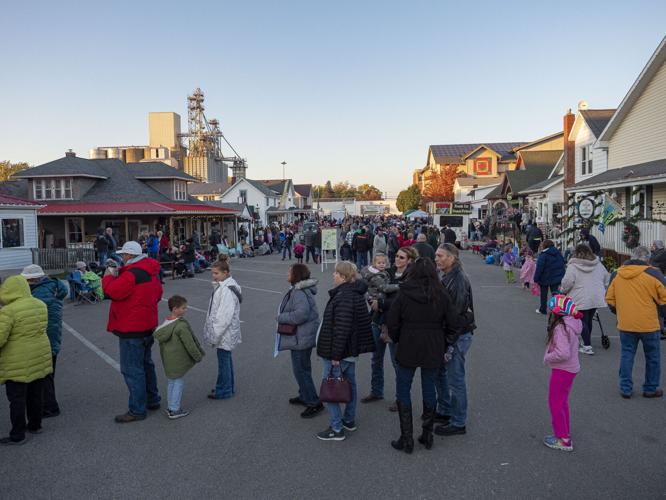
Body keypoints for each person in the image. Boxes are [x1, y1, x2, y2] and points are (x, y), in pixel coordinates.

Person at [386, 258, 461, 454]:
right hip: (433, 344)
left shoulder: (404, 293)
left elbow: (392, 321)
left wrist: (396, 338)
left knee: (404, 388)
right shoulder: (441, 294)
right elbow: (454, 323)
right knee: (429, 387)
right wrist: (445, 343)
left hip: (408, 342)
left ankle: (406, 437)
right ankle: (427, 434)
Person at [102, 241, 163, 423]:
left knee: (132, 369)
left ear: (129, 256)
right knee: (146, 364)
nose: (122, 258)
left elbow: (112, 291)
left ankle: (137, 409)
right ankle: (152, 399)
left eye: (123, 255)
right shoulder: (150, 271)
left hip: (131, 327)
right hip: (147, 324)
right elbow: (158, 294)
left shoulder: (131, 274)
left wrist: (108, 276)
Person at [315, 261, 374, 441]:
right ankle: (348, 420)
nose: (333, 275)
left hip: (340, 352)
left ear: (343, 276)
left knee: (331, 387)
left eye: (336, 273)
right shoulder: (354, 293)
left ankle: (336, 428)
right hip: (349, 351)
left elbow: (341, 329)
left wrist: (335, 356)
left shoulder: (344, 296)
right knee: (349, 385)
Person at [606, 246, 666, 398]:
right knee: (652, 357)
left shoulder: (617, 273)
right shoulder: (654, 273)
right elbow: (664, 298)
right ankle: (650, 388)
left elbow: (610, 299)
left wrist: (619, 312)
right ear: (647, 259)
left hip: (626, 323)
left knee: (627, 354)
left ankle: (625, 388)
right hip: (649, 323)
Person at [0, 275, 51, 445]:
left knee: (17, 398)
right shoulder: (40, 304)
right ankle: (35, 425)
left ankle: (17, 435)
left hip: (18, 359)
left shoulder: (9, 311)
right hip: (39, 354)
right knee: (35, 394)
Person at [433, 243, 476, 436]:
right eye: (436, 255)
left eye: (440, 256)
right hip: (450, 335)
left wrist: (448, 343)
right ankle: (445, 410)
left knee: (455, 379)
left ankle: (458, 422)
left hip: (457, 336)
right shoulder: (446, 275)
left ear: (451, 258)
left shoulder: (458, 280)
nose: (437, 259)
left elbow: (455, 317)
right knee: (442, 374)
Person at [277, 264, 323, 418]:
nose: (287, 273)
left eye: (289, 271)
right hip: (303, 336)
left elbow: (301, 314)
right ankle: (305, 395)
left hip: (301, 337)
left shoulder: (299, 292)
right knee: (303, 369)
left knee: (301, 371)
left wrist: (281, 317)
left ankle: (313, 402)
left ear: (295, 275)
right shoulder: (300, 289)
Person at [21, 265, 67, 418]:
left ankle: (49, 407)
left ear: (33, 279)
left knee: (44, 374)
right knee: (48, 372)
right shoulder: (52, 287)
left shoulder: (40, 293)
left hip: (45, 338)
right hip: (53, 336)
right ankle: (48, 405)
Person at [154, 295, 205, 419]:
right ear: (175, 309)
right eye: (183, 308)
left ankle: (171, 406)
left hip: (169, 360)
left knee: (172, 382)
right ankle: (174, 409)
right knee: (178, 383)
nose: (186, 310)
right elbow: (190, 344)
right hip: (178, 361)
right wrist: (198, 356)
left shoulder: (166, 323)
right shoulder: (180, 326)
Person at [543, 295, 583, 452]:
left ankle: (564, 440)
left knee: (555, 403)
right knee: (562, 401)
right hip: (570, 369)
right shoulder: (573, 322)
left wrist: (548, 357)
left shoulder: (560, 328)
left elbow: (563, 353)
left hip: (562, 369)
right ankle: (565, 431)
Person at [560, 244, 610, 355]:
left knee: (582, 321)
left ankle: (587, 345)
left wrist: (563, 290)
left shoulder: (573, 266)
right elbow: (607, 278)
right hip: (595, 296)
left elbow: (567, 282)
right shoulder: (598, 264)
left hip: (579, 296)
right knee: (588, 320)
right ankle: (586, 341)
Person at [204, 256, 242, 400]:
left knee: (224, 361)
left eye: (216, 273)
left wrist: (214, 335)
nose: (214, 276)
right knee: (225, 359)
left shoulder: (226, 290)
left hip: (224, 332)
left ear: (226, 273)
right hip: (226, 332)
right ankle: (226, 386)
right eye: (212, 273)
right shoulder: (224, 287)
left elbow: (223, 317)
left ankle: (225, 389)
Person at [534, 240, 565, 315]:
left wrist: (536, 278)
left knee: (544, 294)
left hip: (544, 277)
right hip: (556, 277)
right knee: (555, 294)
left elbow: (539, 268)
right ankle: (557, 310)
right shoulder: (558, 253)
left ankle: (543, 309)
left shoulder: (543, 255)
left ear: (545, 245)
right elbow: (562, 264)